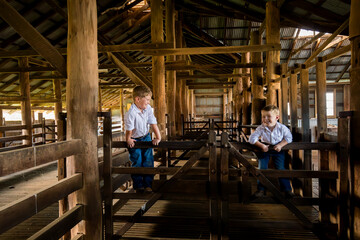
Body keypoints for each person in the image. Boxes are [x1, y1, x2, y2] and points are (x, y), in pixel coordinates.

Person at [248, 105, 294, 198]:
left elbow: (289, 138)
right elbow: (252, 139)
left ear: (277, 117)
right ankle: (261, 190)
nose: (265, 119)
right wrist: (261, 146)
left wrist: (280, 145)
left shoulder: (282, 128)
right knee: (262, 169)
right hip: (265, 149)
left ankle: (287, 190)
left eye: (268, 116)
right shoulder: (261, 128)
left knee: (280, 168)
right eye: (263, 116)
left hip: (278, 150)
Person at [124, 85, 161, 193]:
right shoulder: (131, 113)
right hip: (135, 139)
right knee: (137, 161)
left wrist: (158, 137)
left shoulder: (148, 108)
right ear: (137, 99)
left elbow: (153, 123)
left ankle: (148, 185)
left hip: (146, 136)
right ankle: (138, 186)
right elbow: (129, 129)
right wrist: (128, 139)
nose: (149, 102)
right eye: (148, 100)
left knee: (148, 161)